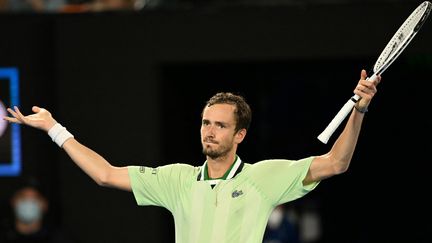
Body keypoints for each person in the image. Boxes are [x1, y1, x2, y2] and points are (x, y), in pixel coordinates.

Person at [3, 69, 380, 243]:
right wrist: (55, 129)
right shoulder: (177, 180)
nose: (209, 131)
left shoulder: (264, 178)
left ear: (240, 135)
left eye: (220, 125)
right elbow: (104, 174)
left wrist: (359, 110)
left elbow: (336, 162)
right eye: (205, 123)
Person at [0, 177, 75, 243]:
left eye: (35, 198)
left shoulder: (59, 239)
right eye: (22, 197)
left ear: (45, 205)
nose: (28, 202)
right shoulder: (3, 236)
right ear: (13, 201)